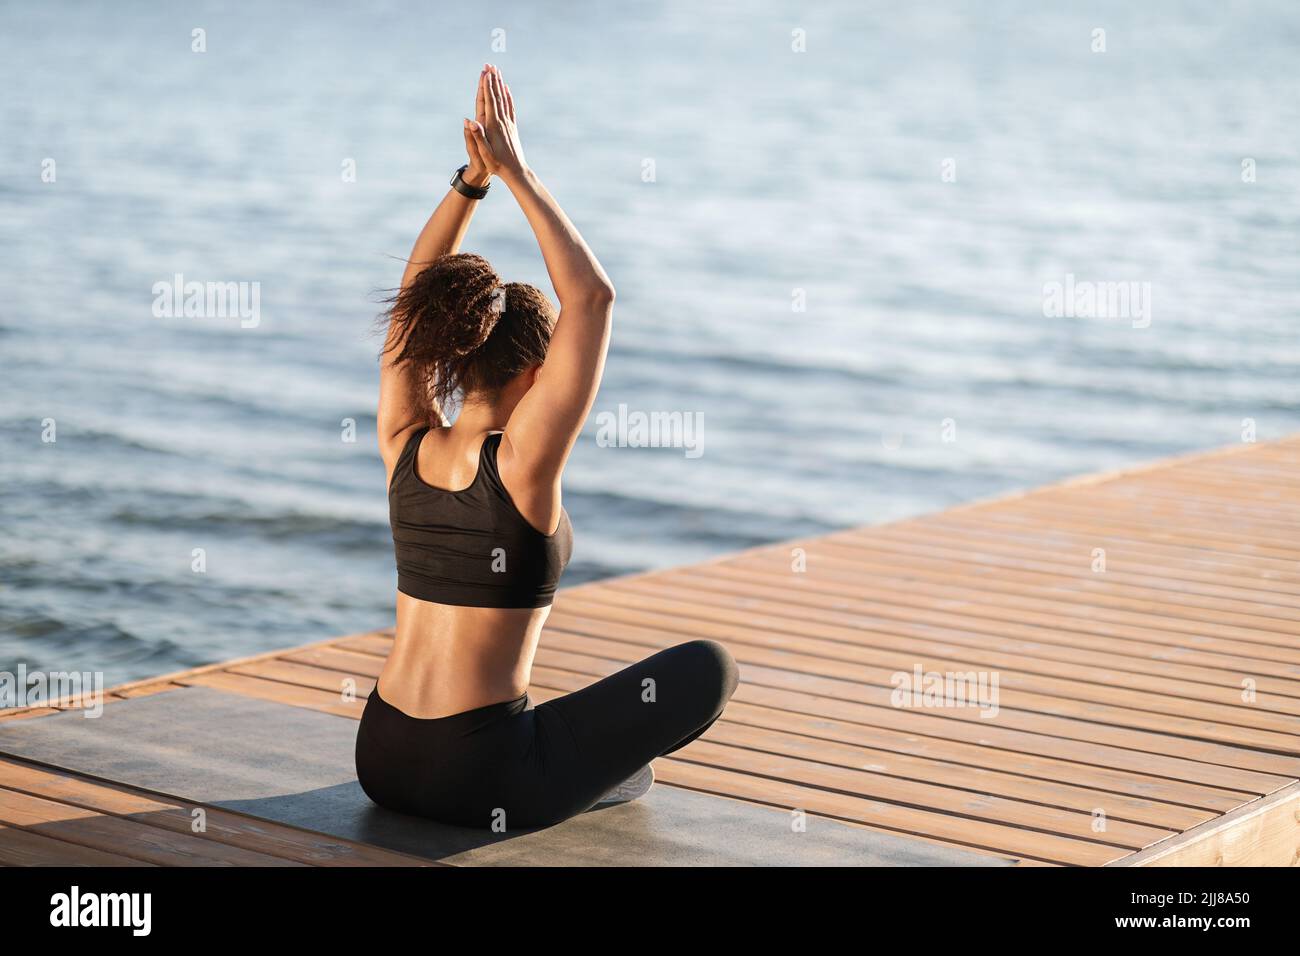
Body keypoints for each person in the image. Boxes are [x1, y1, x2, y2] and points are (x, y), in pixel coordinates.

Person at [355, 64, 737, 830]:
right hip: (480, 776)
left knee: (574, 720)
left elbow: (413, 301)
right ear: (538, 371)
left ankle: (578, 770)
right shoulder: (522, 464)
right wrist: (519, 172)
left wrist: (473, 182)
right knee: (708, 669)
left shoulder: (403, 444)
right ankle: (575, 779)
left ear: (453, 357)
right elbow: (592, 297)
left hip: (382, 756)